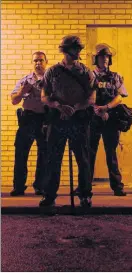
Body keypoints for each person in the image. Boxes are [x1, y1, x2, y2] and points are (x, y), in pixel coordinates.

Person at [39, 35, 95, 207]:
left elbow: (92, 97)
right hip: (57, 119)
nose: (78, 51)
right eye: (75, 48)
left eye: (79, 48)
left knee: (83, 158)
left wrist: (76, 107)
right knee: (53, 158)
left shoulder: (86, 72)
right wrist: (58, 105)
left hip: (79, 120)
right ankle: (49, 195)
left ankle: (85, 195)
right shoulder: (53, 71)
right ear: (66, 50)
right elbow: (44, 96)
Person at [89, 43, 128, 196]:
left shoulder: (115, 76)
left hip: (110, 118)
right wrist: (97, 110)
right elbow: (84, 95)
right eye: (101, 56)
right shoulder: (88, 75)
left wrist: (106, 108)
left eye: (107, 57)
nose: (104, 59)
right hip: (92, 118)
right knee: (89, 152)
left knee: (111, 153)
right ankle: (85, 185)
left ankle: (117, 186)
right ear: (96, 58)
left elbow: (120, 96)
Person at [10, 51, 48, 196]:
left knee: (44, 153)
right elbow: (14, 100)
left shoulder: (51, 80)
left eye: (41, 60)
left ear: (46, 62)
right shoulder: (25, 80)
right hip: (27, 119)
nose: (38, 63)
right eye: (35, 61)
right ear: (32, 63)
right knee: (21, 153)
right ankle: (19, 186)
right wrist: (22, 91)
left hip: (45, 118)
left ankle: (40, 186)